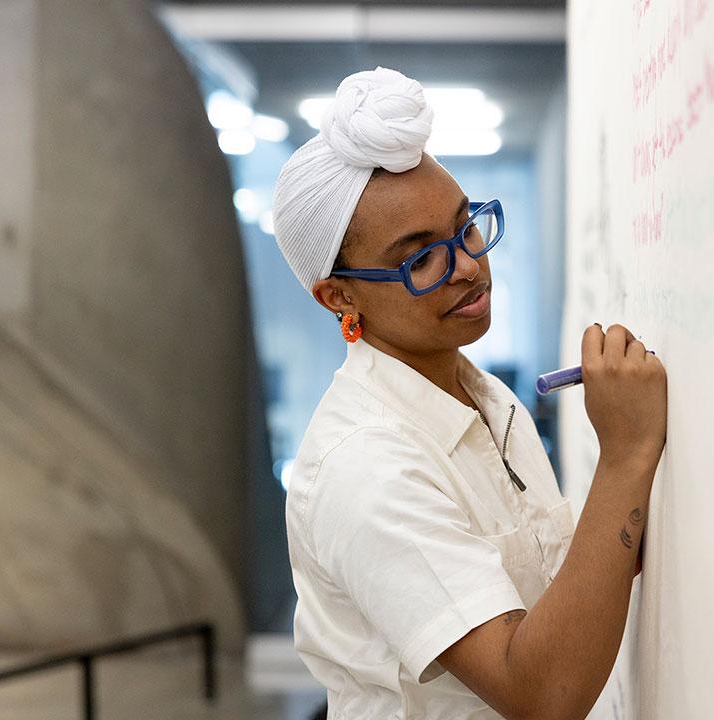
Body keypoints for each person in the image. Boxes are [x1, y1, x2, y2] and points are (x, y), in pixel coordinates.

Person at [272, 67, 667, 719]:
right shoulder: (366, 467)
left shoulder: (480, 393)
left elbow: (554, 581)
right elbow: (537, 695)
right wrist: (624, 456)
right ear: (339, 297)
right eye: (419, 258)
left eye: (466, 226)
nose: (468, 265)